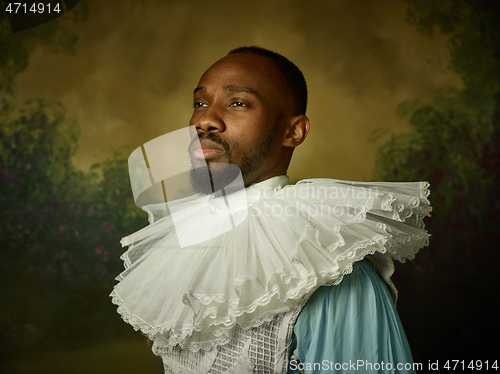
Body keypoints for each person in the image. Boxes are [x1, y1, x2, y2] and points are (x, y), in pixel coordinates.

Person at [110, 46, 431, 373]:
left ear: (293, 131)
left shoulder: (330, 267)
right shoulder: (188, 244)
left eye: (238, 103)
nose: (204, 120)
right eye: (200, 103)